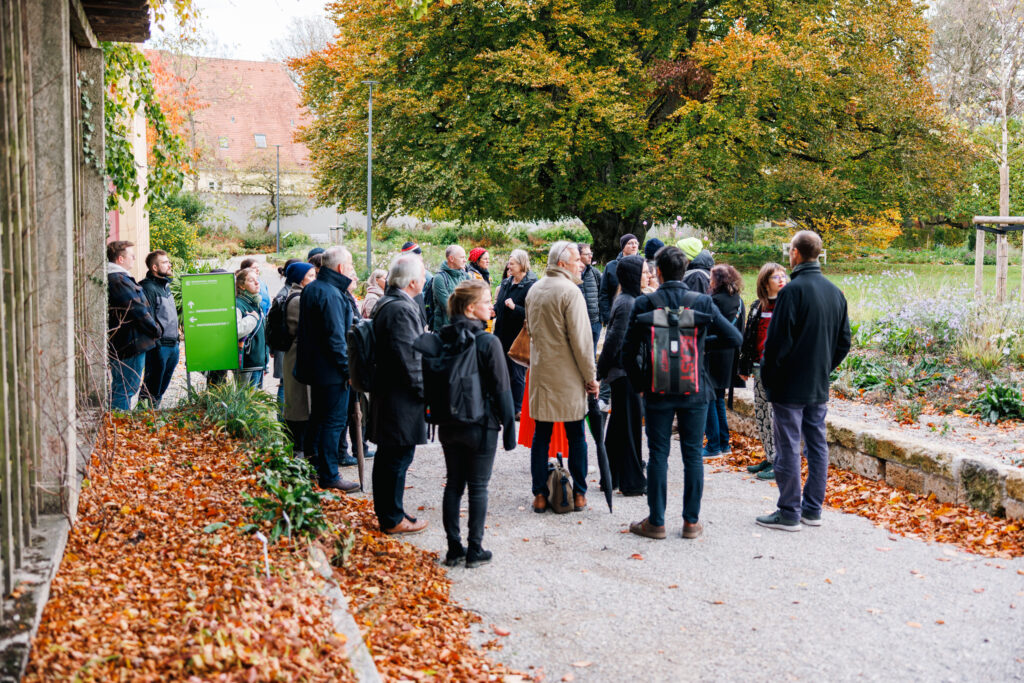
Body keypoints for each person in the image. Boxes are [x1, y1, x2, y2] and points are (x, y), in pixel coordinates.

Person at [621, 246, 742, 540]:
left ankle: (657, 522)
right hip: (695, 388)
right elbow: (734, 337)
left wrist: (640, 383)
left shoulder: (645, 303)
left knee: (659, 454)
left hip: (657, 388)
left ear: (658, 272)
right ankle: (690, 523)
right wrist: (699, 342)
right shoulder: (701, 302)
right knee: (692, 456)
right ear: (684, 270)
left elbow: (627, 352)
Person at [756, 232, 850, 532]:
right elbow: (844, 341)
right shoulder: (835, 292)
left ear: (795, 253)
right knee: (817, 445)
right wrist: (824, 367)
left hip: (789, 384)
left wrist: (769, 376)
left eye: (790, 251)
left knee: (788, 446)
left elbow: (777, 343)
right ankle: (812, 509)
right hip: (817, 382)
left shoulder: (791, 293)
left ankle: (789, 511)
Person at [435, 281, 517, 568]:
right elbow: (502, 388)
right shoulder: (487, 341)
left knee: (453, 484)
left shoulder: (442, 337)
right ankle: (475, 549)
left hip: (448, 422)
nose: (491, 306)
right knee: (478, 486)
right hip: (481, 424)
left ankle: (453, 548)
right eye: (485, 301)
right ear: (471, 308)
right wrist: (509, 426)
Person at [525, 241, 598, 513]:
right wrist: (591, 376)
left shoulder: (534, 289)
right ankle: (579, 494)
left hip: (542, 373)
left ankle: (540, 495)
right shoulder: (571, 292)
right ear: (563, 263)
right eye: (577, 259)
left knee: (541, 437)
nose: (581, 263)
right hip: (568, 376)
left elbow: (531, 331)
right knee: (576, 436)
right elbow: (582, 341)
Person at [369, 254, 430, 534]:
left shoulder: (389, 303)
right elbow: (410, 359)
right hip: (400, 397)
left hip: (391, 393)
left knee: (391, 457)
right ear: (413, 281)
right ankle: (392, 518)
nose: (426, 278)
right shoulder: (400, 309)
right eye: (423, 274)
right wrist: (425, 393)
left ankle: (392, 512)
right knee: (396, 458)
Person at [294, 247, 360, 492]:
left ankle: (313, 466)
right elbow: (335, 339)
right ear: (341, 268)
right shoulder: (331, 293)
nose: (353, 269)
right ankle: (330, 475)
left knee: (318, 419)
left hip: (317, 368)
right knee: (332, 422)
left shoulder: (314, 288)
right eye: (351, 264)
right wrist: (349, 371)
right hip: (330, 371)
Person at [595, 254, 646, 496]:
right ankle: (632, 481)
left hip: (623, 372)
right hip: (625, 373)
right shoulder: (627, 302)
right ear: (634, 276)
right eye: (644, 272)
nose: (648, 276)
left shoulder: (628, 299)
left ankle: (610, 476)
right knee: (629, 426)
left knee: (618, 427)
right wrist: (601, 370)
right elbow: (614, 340)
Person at [738, 262, 789, 480]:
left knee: (775, 416)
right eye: (775, 276)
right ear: (764, 282)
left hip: (778, 371)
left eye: (783, 275)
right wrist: (744, 364)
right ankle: (769, 456)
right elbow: (749, 336)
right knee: (762, 415)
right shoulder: (758, 306)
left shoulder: (786, 305)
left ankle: (780, 461)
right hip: (758, 368)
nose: (781, 279)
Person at [107, 240, 161, 411]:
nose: (135, 258)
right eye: (131, 255)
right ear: (120, 259)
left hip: (130, 341)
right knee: (126, 387)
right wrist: (155, 329)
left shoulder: (120, 278)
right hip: (130, 343)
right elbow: (137, 309)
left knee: (123, 386)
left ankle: (117, 423)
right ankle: (119, 425)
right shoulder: (118, 279)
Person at [702, 264, 746, 458]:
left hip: (712, 353)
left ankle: (713, 445)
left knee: (710, 398)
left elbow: (707, 328)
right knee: (719, 397)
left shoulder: (713, 301)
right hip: (731, 355)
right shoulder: (739, 301)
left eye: (711, 278)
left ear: (717, 280)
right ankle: (723, 443)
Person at [493, 249, 536, 419]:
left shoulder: (531, 285)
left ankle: (517, 409)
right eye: (508, 263)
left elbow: (532, 313)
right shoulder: (506, 283)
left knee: (516, 373)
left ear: (521, 264)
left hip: (518, 336)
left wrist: (515, 308)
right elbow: (499, 304)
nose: (508, 266)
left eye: (512, 263)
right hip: (501, 333)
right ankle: (503, 405)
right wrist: (493, 310)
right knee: (500, 371)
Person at [281, 262, 316, 455]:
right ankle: (297, 448)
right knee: (298, 403)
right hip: (297, 354)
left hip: (299, 353)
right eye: (310, 276)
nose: (314, 279)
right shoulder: (297, 299)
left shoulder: (299, 296)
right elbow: (299, 329)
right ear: (300, 279)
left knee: (300, 401)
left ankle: (300, 447)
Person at [140, 250, 179, 408]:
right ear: (155, 267)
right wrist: (157, 341)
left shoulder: (165, 286)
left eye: (168, 261)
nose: (169, 264)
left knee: (161, 387)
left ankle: (153, 414)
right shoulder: (147, 287)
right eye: (164, 262)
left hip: (173, 344)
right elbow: (147, 317)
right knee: (151, 387)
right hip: (159, 346)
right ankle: (144, 417)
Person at [272, 258, 303, 407]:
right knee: (285, 383)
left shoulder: (287, 292)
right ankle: (282, 419)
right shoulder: (285, 294)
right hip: (286, 345)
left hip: (283, 345)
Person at [235, 267, 268, 387]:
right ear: (242, 286)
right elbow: (236, 330)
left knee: (254, 402)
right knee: (245, 401)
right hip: (247, 363)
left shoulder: (254, 302)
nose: (257, 282)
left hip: (257, 362)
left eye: (257, 279)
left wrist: (266, 361)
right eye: (251, 280)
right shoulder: (239, 304)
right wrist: (252, 318)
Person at [598, 233, 639, 325]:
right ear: (623, 247)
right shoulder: (611, 266)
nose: (634, 246)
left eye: (636, 243)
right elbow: (603, 293)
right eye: (630, 243)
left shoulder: (644, 265)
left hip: (638, 316)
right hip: (616, 315)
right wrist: (607, 316)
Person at [432, 245, 469, 330]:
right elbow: (447, 305)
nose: (465, 260)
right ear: (451, 259)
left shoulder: (466, 276)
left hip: (463, 326)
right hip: (445, 328)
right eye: (462, 257)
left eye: (465, 257)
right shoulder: (439, 278)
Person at [578, 243, 602, 352]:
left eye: (590, 253)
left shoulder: (595, 272)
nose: (590, 256)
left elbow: (603, 294)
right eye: (587, 254)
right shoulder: (570, 274)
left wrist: (601, 318)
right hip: (578, 323)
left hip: (594, 322)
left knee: (591, 354)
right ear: (578, 255)